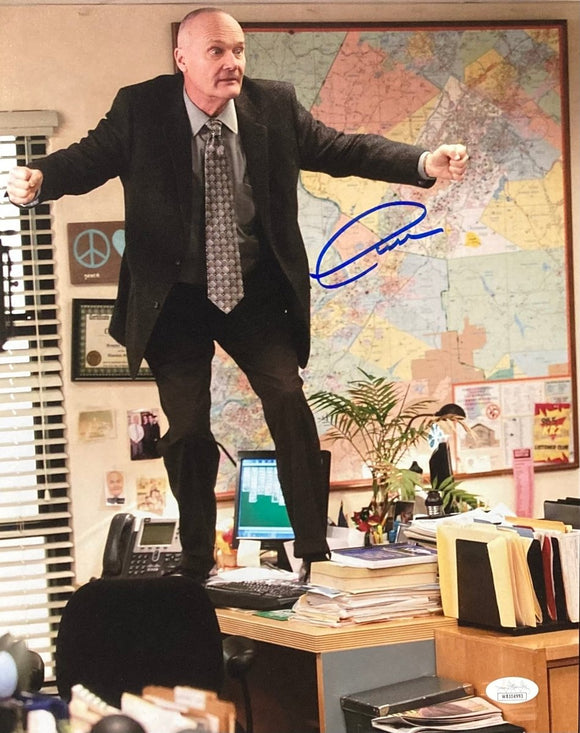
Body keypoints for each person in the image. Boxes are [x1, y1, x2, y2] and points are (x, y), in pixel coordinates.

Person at [7, 7, 469, 582]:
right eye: (216, 52)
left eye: (239, 51)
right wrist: (42, 179)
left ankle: (312, 549)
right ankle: (197, 559)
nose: (232, 63)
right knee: (189, 428)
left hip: (252, 290)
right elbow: (88, 158)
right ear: (182, 59)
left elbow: (344, 150)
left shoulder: (273, 105)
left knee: (288, 399)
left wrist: (422, 162)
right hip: (174, 297)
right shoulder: (141, 109)